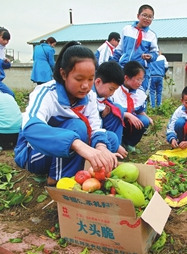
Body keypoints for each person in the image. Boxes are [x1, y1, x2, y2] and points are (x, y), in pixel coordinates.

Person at [14, 41, 119, 186]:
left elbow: (95, 127)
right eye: (79, 79)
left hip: (65, 148)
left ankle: (80, 171)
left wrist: (101, 147)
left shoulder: (89, 96)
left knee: (110, 139)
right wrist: (77, 144)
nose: (86, 86)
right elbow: (30, 128)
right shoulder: (47, 93)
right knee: (77, 127)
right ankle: (57, 179)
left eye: (90, 79)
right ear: (63, 74)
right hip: (34, 154)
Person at [111, 4, 159, 93]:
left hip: (141, 71)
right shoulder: (127, 30)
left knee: (138, 97)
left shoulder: (151, 35)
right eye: (144, 15)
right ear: (138, 16)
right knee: (120, 94)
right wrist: (113, 64)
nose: (147, 19)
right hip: (124, 68)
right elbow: (119, 49)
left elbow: (155, 53)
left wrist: (150, 56)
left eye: (150, 17)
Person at [110, 61, 153, 153]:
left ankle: (128, 143)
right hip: (115, 122)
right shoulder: (114, 90)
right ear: (126, 78)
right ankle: (115, 144)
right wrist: (128, 115)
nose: (140, 83)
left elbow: (140, 111)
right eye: (138, 79)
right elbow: (110, 111)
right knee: (118, 115)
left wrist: (148, 118)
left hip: (130, 123)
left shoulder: (140, 92)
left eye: (142, 79)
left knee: (144, 120)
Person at [93, 61, 128, 158]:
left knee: (117, 109)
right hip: (91, 129)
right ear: (98, 82)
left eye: (114, 90)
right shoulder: (88, 93)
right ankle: (108, 150)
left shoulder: (104, 94)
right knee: (111, 137)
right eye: (111, 89)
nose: (112, 93)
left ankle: (113, 149)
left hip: (98, 129)